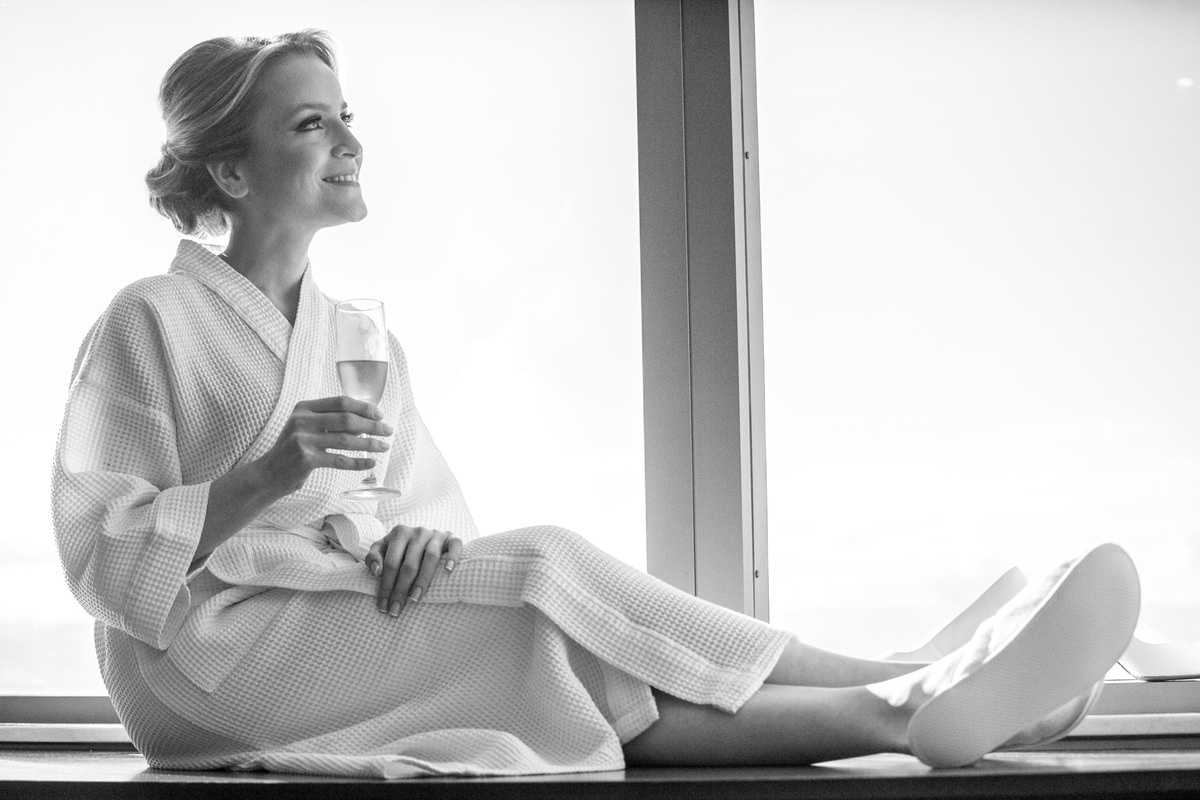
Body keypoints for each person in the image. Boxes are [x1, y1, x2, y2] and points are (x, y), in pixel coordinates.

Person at [52, 29, 1141, 779]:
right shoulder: (151, 318)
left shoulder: (358, 336)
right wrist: (268, 474)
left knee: (552, 652)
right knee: (548, 568)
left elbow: (412, 516)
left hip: (330, 613)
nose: (349, 140)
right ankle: (911, 679)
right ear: (231, 175)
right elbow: (102, 555)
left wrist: (415, 541)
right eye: (309, 125)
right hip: (201, 662)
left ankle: (906, 705)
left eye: (347, 115)